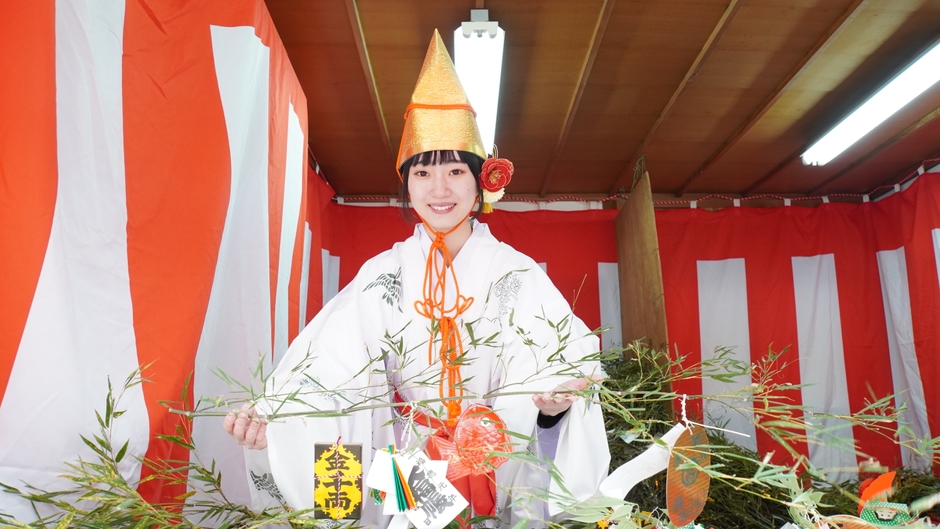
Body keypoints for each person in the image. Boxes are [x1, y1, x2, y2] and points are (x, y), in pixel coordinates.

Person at [224, 30, 609, 528]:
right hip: (409, 462)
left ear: (480, 181)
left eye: (455, 172)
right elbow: (328, 366)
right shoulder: (384, 275)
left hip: (495, 458)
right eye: (423, 173)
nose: (439, 189)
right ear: (407, 184)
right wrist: (277, 415)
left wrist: (556, 402)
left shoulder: (514, 273)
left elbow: (561, 359)